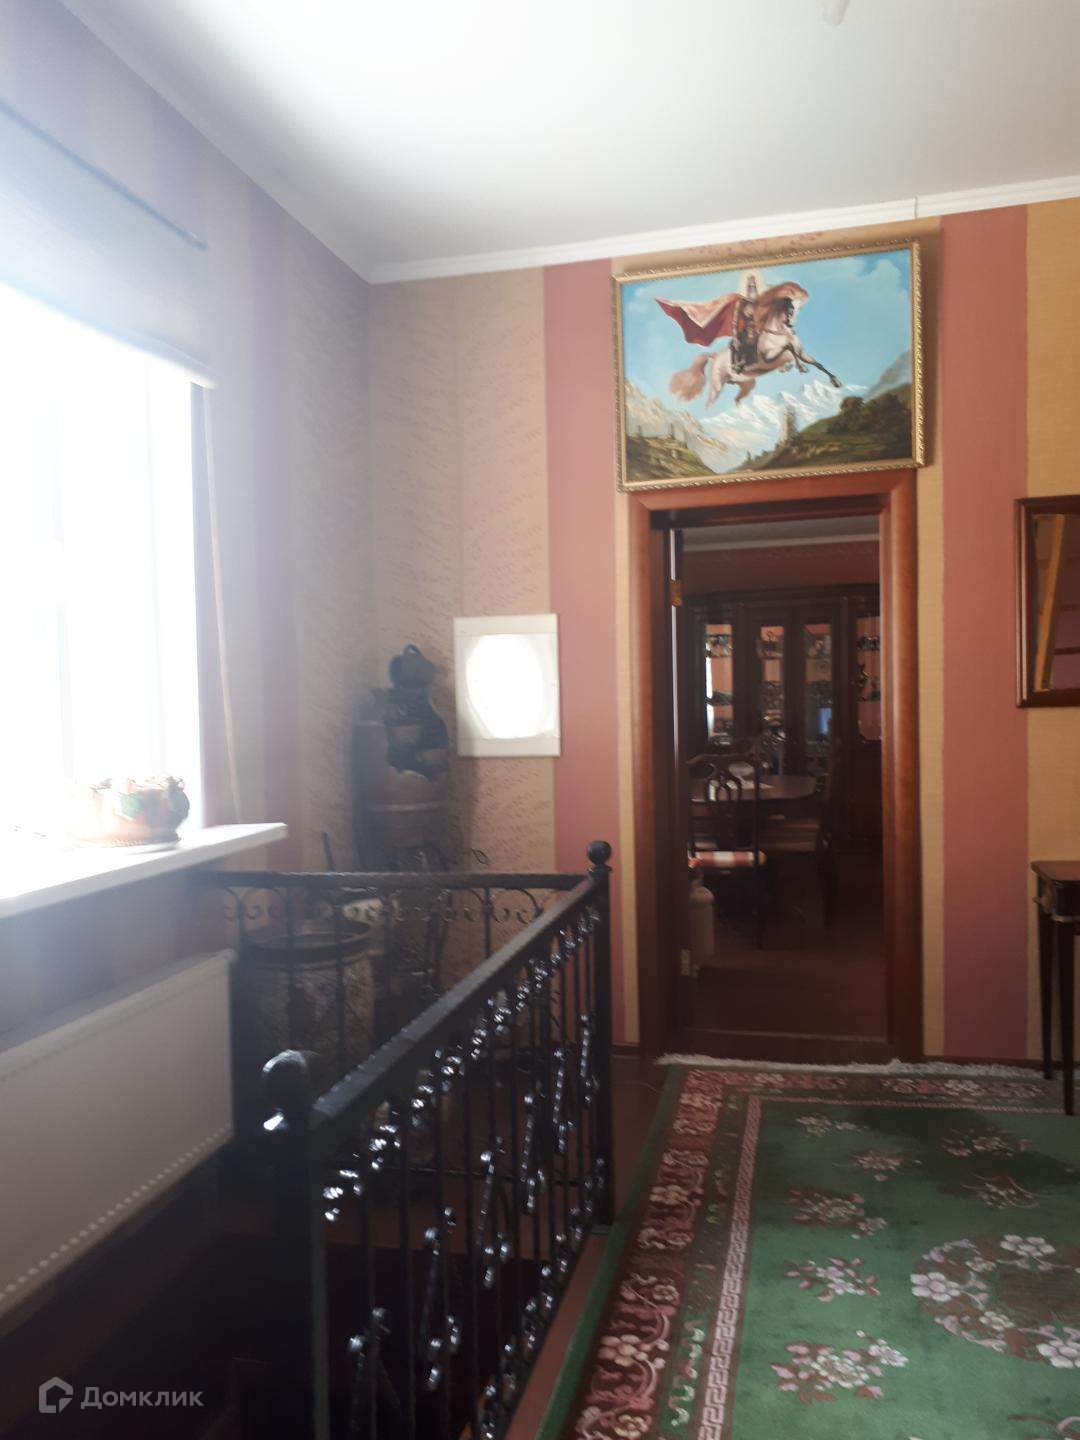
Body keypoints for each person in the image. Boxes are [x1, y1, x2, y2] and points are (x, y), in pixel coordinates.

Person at [731, 274, 759, 373]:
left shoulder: (760, 303)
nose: (752, 289)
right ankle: (737, 364)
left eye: (754, 287)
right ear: (747, 288)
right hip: (746, 331)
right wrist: (735, 338)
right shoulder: (741, 303)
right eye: (750, 287)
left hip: (758, 330)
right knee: (737, 344)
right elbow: (734, 323)